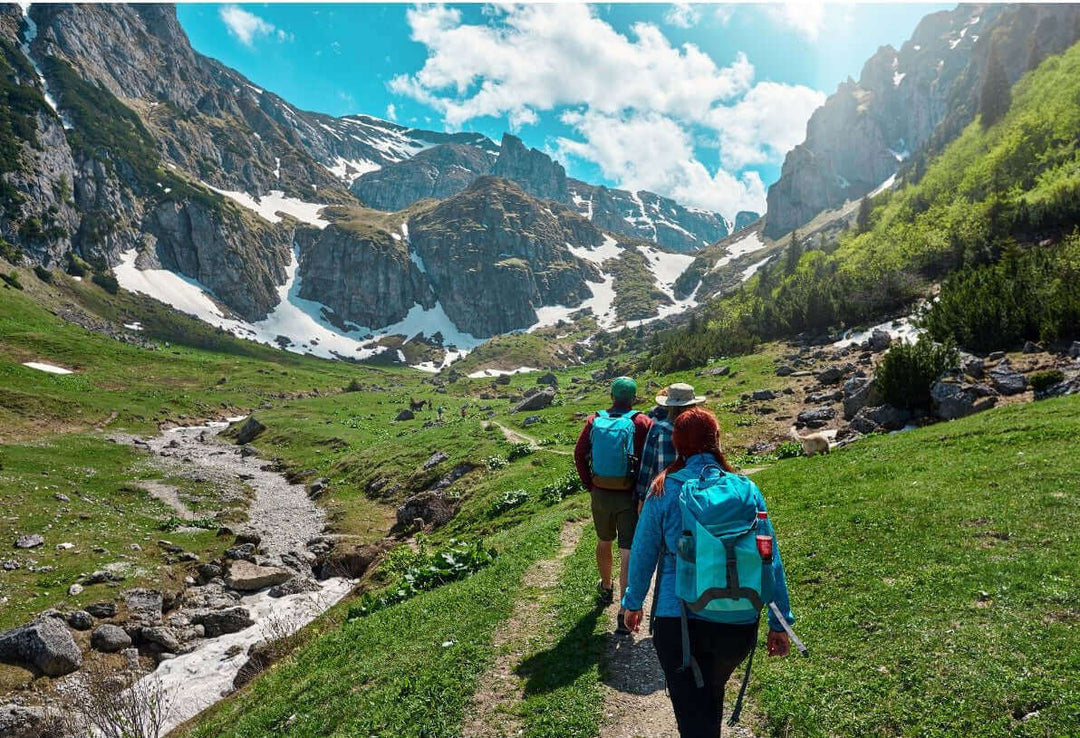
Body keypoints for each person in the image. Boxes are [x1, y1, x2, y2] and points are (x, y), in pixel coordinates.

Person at [622, 407, 795, 736]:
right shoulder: (746, 489)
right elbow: (769, 557)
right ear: (716, 440)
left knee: (691, 717)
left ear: (678, 445)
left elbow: (643, 551)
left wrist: (632, 603)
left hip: (680, 621)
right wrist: (779, 621)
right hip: (738, 621)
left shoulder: (664, 489)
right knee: (712, 697)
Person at [574, 376, 652, 634]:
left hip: (601, 492)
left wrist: (590, 484)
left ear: (611, 396)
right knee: (627, 551)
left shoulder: (595, 419)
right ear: (633, 397)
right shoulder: (641, 421)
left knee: (603, 540)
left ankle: (606, 586)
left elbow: (579, 453)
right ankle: (623, 611)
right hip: (629, 495)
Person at [635, 383, 707, 514]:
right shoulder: (704, 428)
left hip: (664, 493)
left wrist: (641, 496)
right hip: (698, 494)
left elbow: (647, 465)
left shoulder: (660, 429)